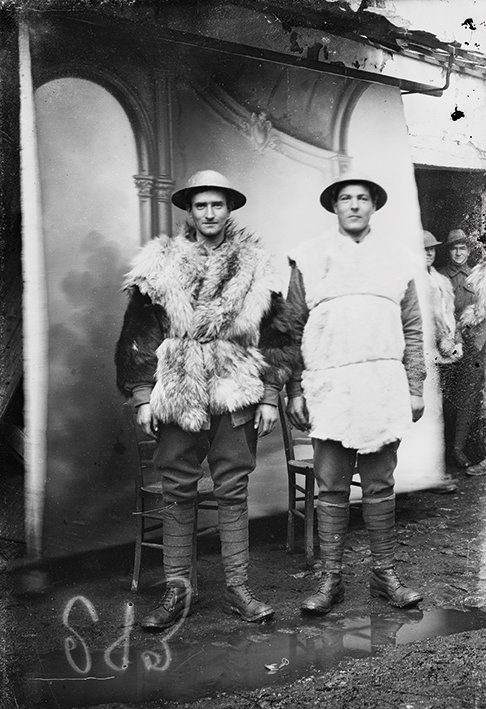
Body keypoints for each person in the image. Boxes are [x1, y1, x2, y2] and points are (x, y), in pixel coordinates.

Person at [115, 170, 297, 629]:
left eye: (218, 205)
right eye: (201, 206)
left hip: (237, 389)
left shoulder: (257, 267)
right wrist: (142, 396)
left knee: (233, 488)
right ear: (190, 212)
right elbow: (139, 334)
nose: (210, 214)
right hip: (177, 389)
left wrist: (271, 396)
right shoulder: (161, 263)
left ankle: (238, 588)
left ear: (230, 210)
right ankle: (177, 590)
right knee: (178, 488)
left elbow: (278, 336)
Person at [286, 170, 426, 614]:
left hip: (382, 386)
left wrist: (416, 386)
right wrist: (294, 389)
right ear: (334, 206)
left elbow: (414, 328)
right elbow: (289, 327)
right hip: (331, 387)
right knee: (330, 487)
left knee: (380, 483)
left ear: (373, 205)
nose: (353, 204)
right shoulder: (309, 258)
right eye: (345, 197)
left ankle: (384, 573)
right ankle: (331, 580)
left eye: (362, 197)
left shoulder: (397, 259)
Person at [438, 229, 483, 469]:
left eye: (463, 248)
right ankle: (442, 451)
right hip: (445, 345)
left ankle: (458, 450)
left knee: (467, 399)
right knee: (444, 399)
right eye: (454, 248)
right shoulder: (441, 275)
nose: (458, 252)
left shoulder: (475, 276)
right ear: (449, 250)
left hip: (472, 347)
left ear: (468, 250)